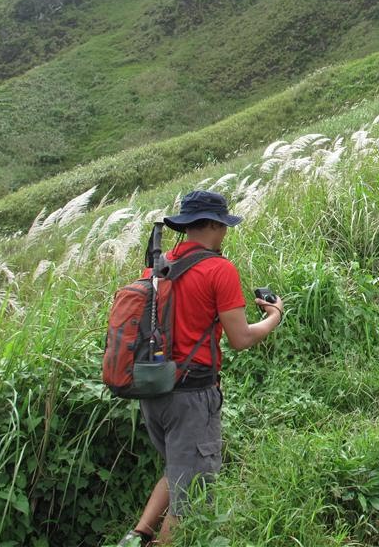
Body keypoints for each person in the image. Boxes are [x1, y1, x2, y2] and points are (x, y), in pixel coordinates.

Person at [117, 190, 283, 546]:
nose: (225, 233)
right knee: (190, 496)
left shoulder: (159, 266)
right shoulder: (218, 269)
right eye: (222, 225)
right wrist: (273, 318)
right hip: (192, 397)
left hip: (154, 390)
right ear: (210, 225)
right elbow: (239, 338)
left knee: (177, 468)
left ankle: (138, 536)